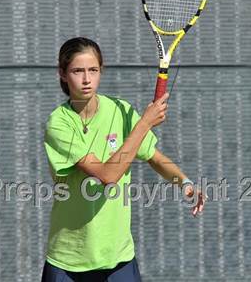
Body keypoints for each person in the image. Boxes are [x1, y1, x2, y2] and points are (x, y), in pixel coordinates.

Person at [41, 37, 206, 282]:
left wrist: (185, 182)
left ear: (101, 71)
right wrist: (145, 123)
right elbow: (108, 176)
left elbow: (153, 156)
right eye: (77, 71)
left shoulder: (120, 110)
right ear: (63, 74)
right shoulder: (59, 124)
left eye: (93, 70)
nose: (86, 79)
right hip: (68, 262)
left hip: (119, 259)